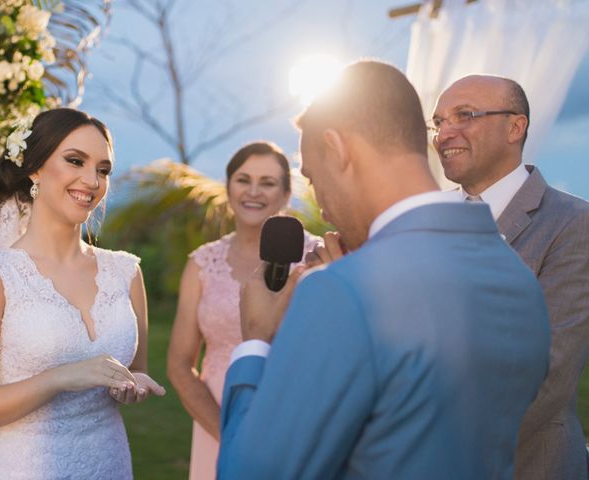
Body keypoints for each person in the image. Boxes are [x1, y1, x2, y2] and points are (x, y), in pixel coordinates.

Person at [216, 60, 551, 479]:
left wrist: (257, 341)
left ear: (338, 150)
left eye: (314, 178)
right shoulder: (516, 276)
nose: (322, 205)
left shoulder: (342, 292)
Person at [0, 108, 166, 479]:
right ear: (34, 168)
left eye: (103, 169)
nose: (92, 180)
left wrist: (131, 386)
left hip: (109, 464)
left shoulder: (126, 272)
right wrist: (60, 377)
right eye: (75, 161)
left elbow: (135, 370)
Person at [431, 74, 589, 480]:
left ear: (515, 127)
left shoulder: (574, 225)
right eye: (438, 122)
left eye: (463, 115)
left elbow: (549, 373)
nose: (445, 133)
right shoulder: (425, 221)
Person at [166, 141, 319, 480]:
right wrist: (229, 435)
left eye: (267, 182)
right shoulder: (202, 263)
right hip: (216, 419)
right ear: (228, 187)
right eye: (243, 179)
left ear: (285, 193)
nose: (254, 191)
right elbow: (179, 364)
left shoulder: (316, 258)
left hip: (294, 421)